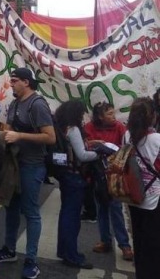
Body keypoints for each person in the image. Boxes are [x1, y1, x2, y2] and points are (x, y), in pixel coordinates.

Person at [0, 67, 55, 279]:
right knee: (10, 207)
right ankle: (9, 249)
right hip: (14, 165)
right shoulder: (15, 103)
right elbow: (8, 130)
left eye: (15, 80)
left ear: (27, 82)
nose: (12, 84)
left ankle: (31, 260)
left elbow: (50, 137)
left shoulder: (37, 105)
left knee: (31, 212)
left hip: (32, 165)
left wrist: (20, 136)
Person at [83, 102, 133, 260]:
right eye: (110, 114)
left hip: (114, 176)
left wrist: (108, 147)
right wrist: (98, 144)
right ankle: (105, 241)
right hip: (97, 175)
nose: (114, 117)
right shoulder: (90, 127)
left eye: (113, 113)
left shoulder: (119, 127)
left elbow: (126, 147)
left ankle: (124, 245)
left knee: (116, 209)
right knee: (102, 210)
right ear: (100, 116)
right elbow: (85, 145)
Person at [53, 100, 98, 269]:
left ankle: (64, 251)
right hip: (75, 177)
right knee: (71, 218)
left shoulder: (63, 128)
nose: (83, 116)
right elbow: (82, 155)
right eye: (81, 113)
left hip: (66, 176)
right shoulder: (74, 129)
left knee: (66, 214)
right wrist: (100, 153)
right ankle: (72, 255)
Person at [124, 97, 160, 279]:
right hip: (154, 201)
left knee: (139, 241)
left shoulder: (127, 135)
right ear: (152, 116)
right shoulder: (157, 139)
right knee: (154, 247)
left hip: (134, 196)